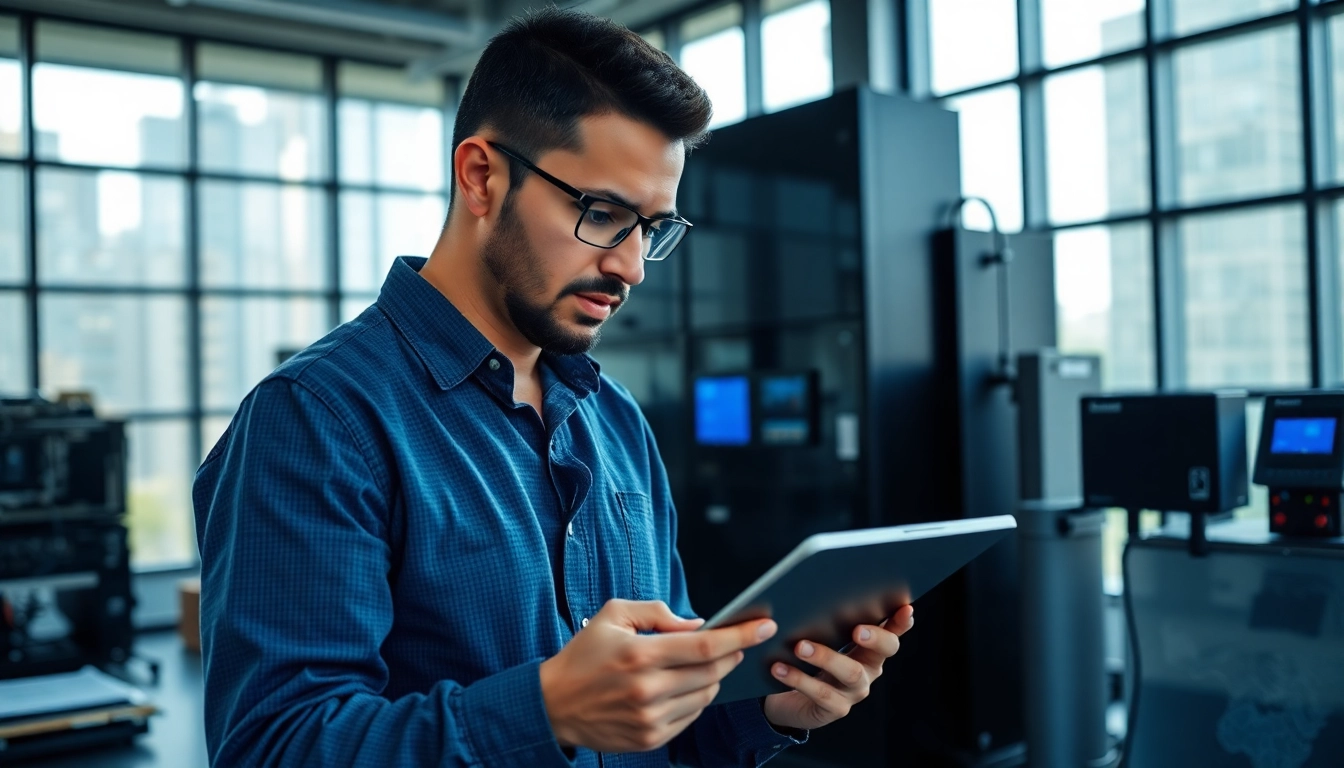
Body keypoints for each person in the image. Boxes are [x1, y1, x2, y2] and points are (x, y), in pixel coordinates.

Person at [193, 7, 914, 767]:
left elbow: (662, 716)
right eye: (603, 214)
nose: (632, 267)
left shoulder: (615, 419)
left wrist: (765, 707)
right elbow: (274, 749)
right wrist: (545, 709)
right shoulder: (315, 421)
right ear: (481, 177)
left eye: (652, 228)